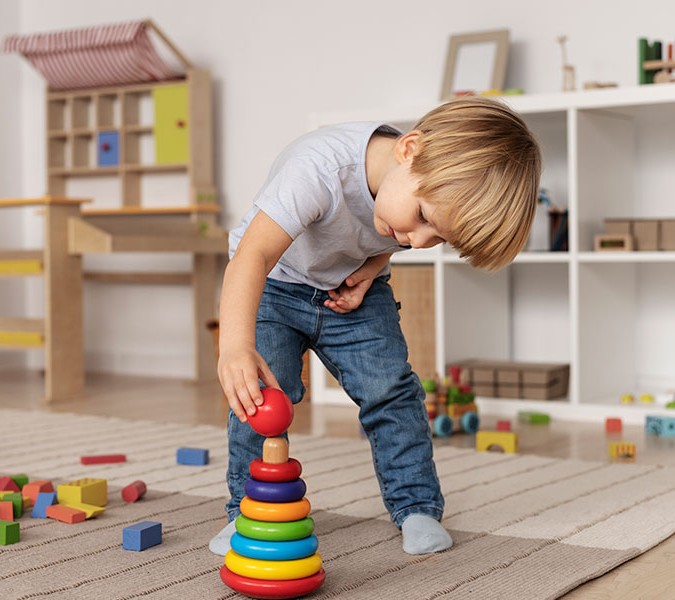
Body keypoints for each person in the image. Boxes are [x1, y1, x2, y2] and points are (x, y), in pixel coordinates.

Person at [210, 96, 541, 556]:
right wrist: (235, 348)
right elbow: (252, 256)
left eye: (439, 239)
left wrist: (373, 266)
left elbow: (397, 230)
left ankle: (418, 507)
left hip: (350, 290)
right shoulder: (319, 169)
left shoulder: (410, 195)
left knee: (392, 390)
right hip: (274, 283)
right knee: (262, 396)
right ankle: (246, 512)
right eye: (424, 219)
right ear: (408, 149)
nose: (419, 241)